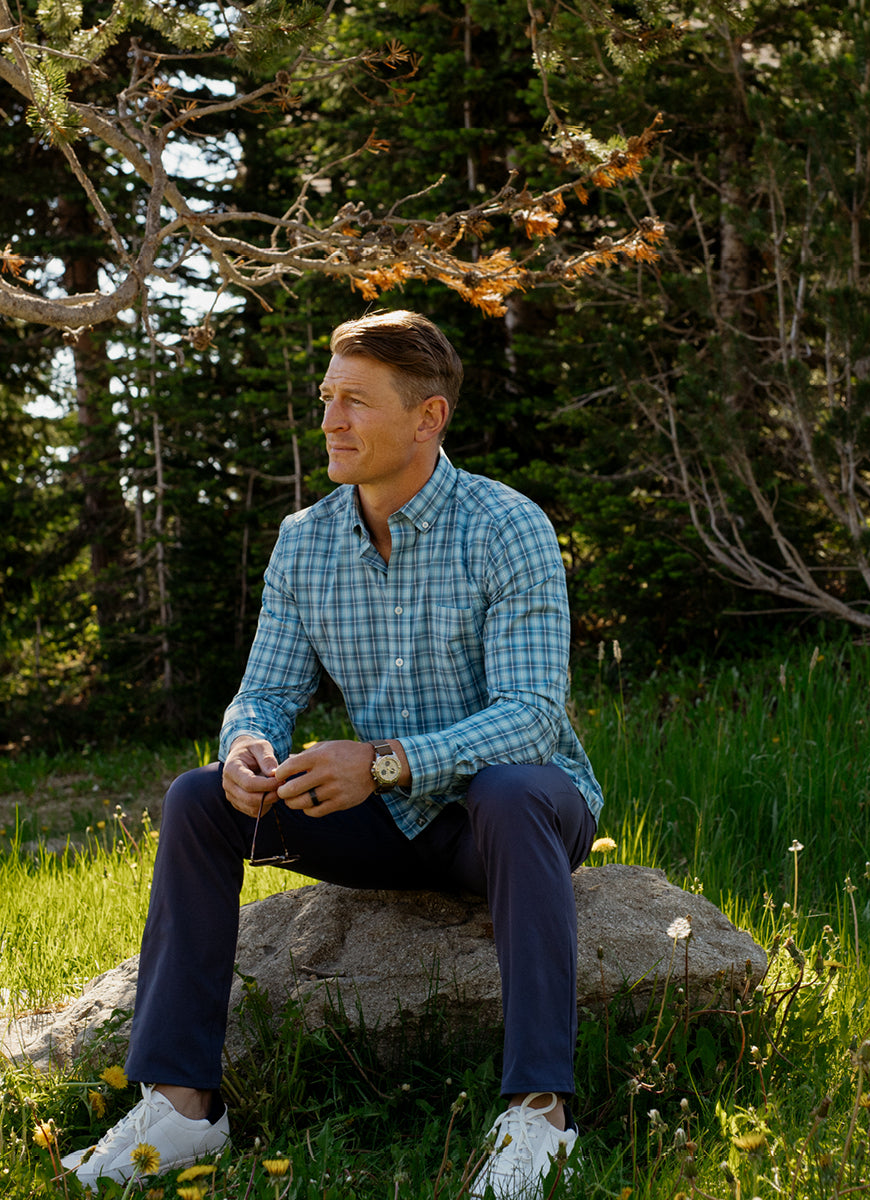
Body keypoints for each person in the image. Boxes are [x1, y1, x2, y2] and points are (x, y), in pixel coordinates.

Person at [62, 310, 605, 1198]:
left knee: (509, 789)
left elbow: (533, 714)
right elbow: (267, 692)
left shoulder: (508, 526)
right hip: (387, 828)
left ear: (428, 418)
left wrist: (385, 761)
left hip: (510, 825)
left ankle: (540, 1116)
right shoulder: (304, 541)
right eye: (326, 398)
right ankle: (182, 1107)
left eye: (355, 402)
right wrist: (248, 746)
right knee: (198, 800)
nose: (330, 422)